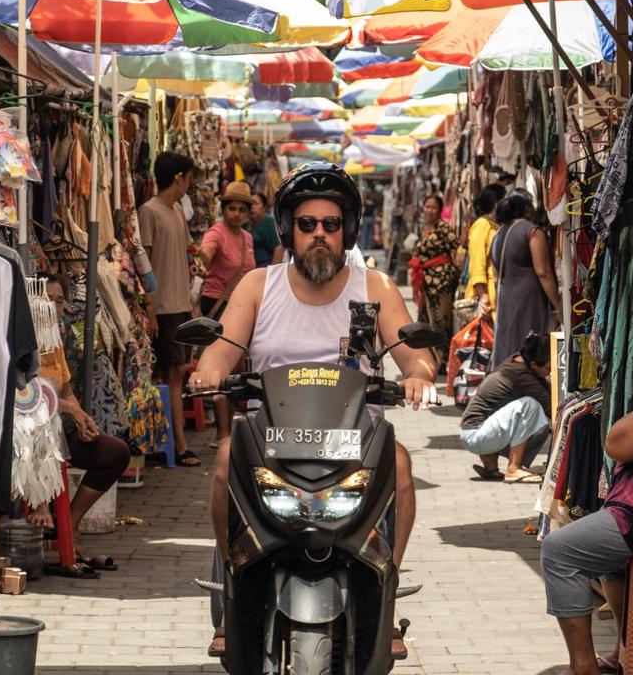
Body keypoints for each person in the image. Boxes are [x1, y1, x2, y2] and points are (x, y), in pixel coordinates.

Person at [190, 162, 438, 661]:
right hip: (271, 440)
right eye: (307, 224)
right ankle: (233, 583)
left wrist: (418, 375)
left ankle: (384, 591)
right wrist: (208, 370)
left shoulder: (377, 286)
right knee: (222, 460)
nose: (319, 234)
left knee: (404, 464)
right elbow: (223, 348)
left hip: (354, 442)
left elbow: (416, 354)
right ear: (288, 229)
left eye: (331, 224)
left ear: (347, 230)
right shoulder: (259, 285)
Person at [539, 309, 633, 675]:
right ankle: (623, 649)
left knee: (559, 551)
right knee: (610, 562)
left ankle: (582, 666)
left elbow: (618, 444)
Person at [27, 275, 133, 576]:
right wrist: (70, 412)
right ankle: (43, 509)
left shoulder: (57, 341)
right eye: (45, 299)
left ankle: (69, 525)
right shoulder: (20, 343)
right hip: (28, 430)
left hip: (61, 426)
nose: (51, 306)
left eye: (58, 300)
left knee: (115, 453)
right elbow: (25, 396)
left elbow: (67, 390)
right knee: (42, 429)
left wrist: (84, 418)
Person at [138, 152, 201, 467]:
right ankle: (178, 444)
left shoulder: (176, 211)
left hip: (179, 304)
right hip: (161, 306)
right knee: (170, 374)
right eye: (189, 177)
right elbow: (142, 261)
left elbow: (186, 256)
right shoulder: (149, 212)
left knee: (173, 373)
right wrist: (149, 306)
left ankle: (168, 442)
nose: (191, 183)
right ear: (179, 177)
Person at [198, 181, 257, 448]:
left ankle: (230, 430)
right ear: (224, 209)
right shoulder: (217, 232)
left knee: (238, 368)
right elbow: (205, 253)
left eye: (241, 209)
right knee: (224, 366)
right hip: (218, 305)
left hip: (242, 306)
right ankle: (222, 433)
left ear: (247, 212)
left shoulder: (247, 238)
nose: (236, 213)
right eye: (231, 208)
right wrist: (205, 256)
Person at [460, 331, 552, 483]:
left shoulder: (518, 361)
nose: (550, 372)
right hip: (476, 435)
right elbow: (551, 408)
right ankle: (514, 468)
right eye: (549, 368)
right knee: (530, 407)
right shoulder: (521, 376)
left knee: (532, 415)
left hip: (475, 430)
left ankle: (490, 461)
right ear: (535, 364)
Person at [489, 190, 561, 369]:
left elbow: (496, 273)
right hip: (530, 298)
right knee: (532, 344)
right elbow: (543, 271)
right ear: (528, 209)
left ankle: (510, 379)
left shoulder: (497, 235)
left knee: (510, 342)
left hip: (506, 298)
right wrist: (558, 305)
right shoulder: (532, 232)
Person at [409, 194, 461, 366]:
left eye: (434, 207)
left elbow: (457, 249)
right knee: (425, 321)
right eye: (427, 207)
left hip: (442, 283)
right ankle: (429, 359)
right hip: (425, 282)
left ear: (439, 210)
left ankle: (444, 362)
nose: (430, 211)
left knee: (441, 322)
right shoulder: (425, 228)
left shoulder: (443, 228)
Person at [463, 184, 506, 316]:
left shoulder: (494, 224)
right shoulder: (482, 225)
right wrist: (484, 296)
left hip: (496, 291)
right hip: (487, 295)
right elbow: (477, 262)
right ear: (495, 203)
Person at [247, 190, 284, 267]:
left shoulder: (269, 221)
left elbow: (278, 248)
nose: (252, 207)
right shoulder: (246, 223)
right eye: (250, 204)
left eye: (256, 203)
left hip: (265, 266)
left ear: (264, 207)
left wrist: (273, 272)